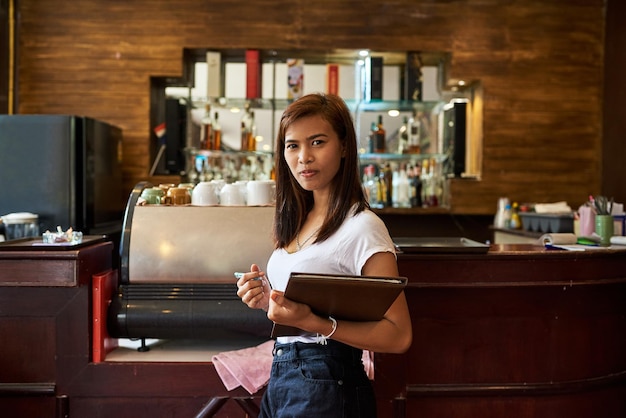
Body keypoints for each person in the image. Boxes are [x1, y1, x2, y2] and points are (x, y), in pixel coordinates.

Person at [236, 93, 412, 418]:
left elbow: (398, 335)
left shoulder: (363, 226)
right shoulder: (296, 222)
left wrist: (312, 322)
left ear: (344, 147)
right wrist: (266, 300)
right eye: (292, 145)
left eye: (317, 142)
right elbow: (302, 310)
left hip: (328, 380)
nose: (304, 157)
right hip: (284, 374)